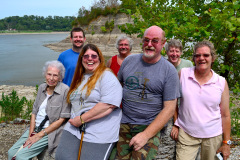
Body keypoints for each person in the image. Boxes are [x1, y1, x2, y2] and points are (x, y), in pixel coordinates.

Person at [113, 26, 180, 159]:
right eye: (146, 40)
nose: (149, 45)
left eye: (155, 41)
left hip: (148, 125)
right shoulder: (128, 61)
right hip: (123, 123)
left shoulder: (169, 71)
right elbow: (116, 88)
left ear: (163, 43)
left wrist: (146, 135)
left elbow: (170, 108)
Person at [55, 44, 123, 160]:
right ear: (81, 59)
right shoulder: (80, 77)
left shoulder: (107, 76)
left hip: (99, 132)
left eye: (93, 56)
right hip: (74, 128)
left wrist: (81, 119)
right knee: (62, 157)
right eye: (86, 56)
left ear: (100, 59)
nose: (90, 59)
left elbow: (108, 105)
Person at [171, 41, 231, 160]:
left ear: (213, 58)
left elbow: (225, 115)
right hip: (186, 133)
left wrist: (226, 143)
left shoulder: (221, 82)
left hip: (213, 136)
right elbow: (172, 101)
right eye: (197, 55)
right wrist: (176, 123)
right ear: (193, 58)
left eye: (206, 55)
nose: (201, 58)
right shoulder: (183, 74)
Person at [8, 60, 71, 160]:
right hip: (35, 128)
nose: (51, 78)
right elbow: (34, 112)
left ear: (60, 77)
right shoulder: (42, 87)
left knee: (21, 156)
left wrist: (39, 135)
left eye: (55, 75)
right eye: (49, 74)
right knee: (11, 153)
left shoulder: (65, 90)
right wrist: (31, 134)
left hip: (49, 131)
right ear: (45, 74)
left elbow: (62, 119)